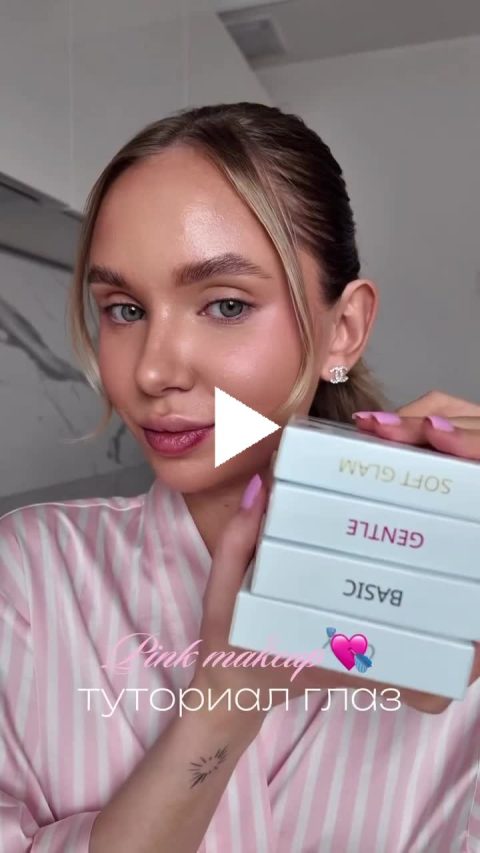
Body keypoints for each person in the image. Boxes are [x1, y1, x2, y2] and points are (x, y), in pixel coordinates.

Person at [1, 102, 479, 853]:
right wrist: (225, 703)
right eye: (124, 309)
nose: (152, 371)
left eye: (225, 304)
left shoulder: (454, 577)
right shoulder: (26, 576)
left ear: (344, 329)